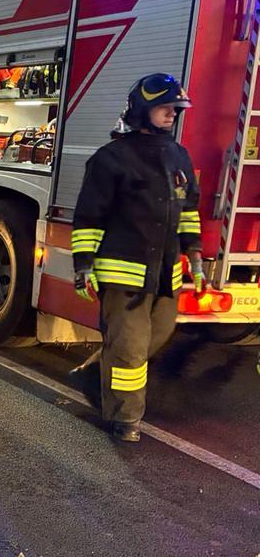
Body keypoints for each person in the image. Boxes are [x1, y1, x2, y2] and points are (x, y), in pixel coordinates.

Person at [69, 73, 202, 443]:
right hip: (123, 273)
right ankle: (125, 419)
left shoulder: (179, 155)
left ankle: (92, 374)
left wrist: (195, 252)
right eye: (165, 108)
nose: (172, 114)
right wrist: (83, 265)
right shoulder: (110, 159)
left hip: (165, 274)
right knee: (129, 348)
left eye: (176, 109)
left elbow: (188, 209)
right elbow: (89, 218)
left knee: (154, 336)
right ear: (142, 110)